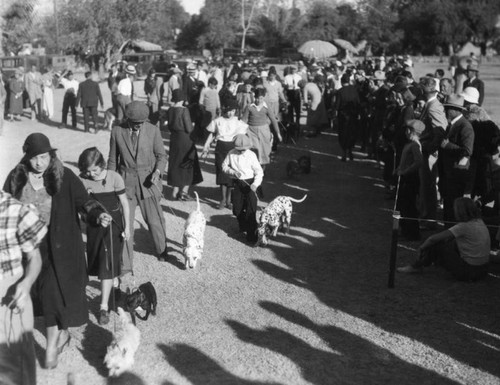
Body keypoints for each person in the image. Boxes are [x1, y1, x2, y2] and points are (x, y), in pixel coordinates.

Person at [3, 133, 111, 369]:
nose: (40, 162)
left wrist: (98, 214)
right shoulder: (17, 176)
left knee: (52, 292)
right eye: (34, 158)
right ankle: (62, 334)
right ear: (27, 157)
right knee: (40, 293)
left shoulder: (63, 175)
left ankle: (52, 345)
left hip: (59, 245)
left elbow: (85, 202)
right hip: (30, 247)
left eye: (44, 156)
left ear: (50, 155)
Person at [108, 101, 171, 263]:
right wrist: (110, 183)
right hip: (125, 184)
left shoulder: (153, 130)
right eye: (135, 123)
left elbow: (161, 156)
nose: (138, 126)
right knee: (125, 223)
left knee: (154, 220)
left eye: (141, 123)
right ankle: (125, 262)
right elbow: (113, 160)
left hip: (148, 183)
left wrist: (157, 172)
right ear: (128, 119)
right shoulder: (116, 131)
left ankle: (162, 250)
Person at [78, 147, 130, 325]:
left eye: (95, 170)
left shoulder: (115, 177)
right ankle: (115, 283)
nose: (91, 174)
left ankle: (103, 307)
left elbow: (124, 203)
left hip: (114, 229)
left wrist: (128, 227)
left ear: (102, 165)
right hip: (95, 228)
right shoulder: (83, 180)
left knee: (106, 267)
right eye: (87, 171)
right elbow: (82, 208)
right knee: (100, 263)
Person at [0, 190, 46, 385]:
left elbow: (34, 258)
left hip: (10, 293)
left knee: (15, 365)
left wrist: (26, 283)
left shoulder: (15, 210)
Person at [397, 197, 489, 281]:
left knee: (436, 244)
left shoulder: (463, 227)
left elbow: (432, 239)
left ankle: (416, 266)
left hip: (469, 272)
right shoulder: (479, 222)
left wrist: (421, 248)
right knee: (449, 242)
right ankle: (425, 262)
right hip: (483, 270)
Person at [202, 98, 248, 209]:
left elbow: (242, 136)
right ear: (224, 110)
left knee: (232, 174)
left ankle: (229, 200)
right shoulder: (218, 121)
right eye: (228, 111)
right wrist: (206, 146)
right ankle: (222, 199)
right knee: (222, 173)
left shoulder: (238, 122)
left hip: (233, 148)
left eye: (233, 111)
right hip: (220, 148)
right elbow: (212, 135)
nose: (230, 113)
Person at [438, 94, 474, 222]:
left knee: (453, 205)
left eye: (448, 108)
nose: (445, 111)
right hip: (448, 171)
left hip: (456, 173)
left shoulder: (465, 126)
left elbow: (467, 151)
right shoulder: (453, 124)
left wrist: (448, 146)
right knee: (448, 203)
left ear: (456, 110)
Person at [222, 134, 264, 243]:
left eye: (244, 149)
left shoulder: (251, 155)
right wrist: (233, 172)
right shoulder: (231, 153)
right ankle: (243, 225)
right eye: (239, 150)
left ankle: (252, 235)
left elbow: (259, 172)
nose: (241, 151)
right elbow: (224, 166)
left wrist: (255, 184)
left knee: (251, 210)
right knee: (237, 209)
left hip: (250, 184)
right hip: (238, 183)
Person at [167, 89, 203, 200]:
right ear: (182, 99)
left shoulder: (170, 110)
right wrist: (192, 125)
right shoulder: (184, 110)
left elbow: (169, 126)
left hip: (174, 138)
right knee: (188, 163)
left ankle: (175, 190)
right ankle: (184, 191)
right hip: (185, 139)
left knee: (175, 163)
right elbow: (189, 128)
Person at [396, 120, 424, 240]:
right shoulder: (410, 143)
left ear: (413, 132)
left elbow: (418, 162)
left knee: (409, 206)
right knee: (402, 204)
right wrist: (398, 168)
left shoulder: (415, 145)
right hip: (404, 176)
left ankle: (412, 233)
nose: (405, 132)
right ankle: (404, 229)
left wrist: (405, 171)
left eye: (408, 130)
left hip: (410, 178)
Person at [241, 88, 282, 170]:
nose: (258, 100)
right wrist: (241, 133)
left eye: (261, 98)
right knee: (254, 149)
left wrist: (278, 133)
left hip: (264, 131)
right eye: (257, 98)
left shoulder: (266, 107)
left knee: (265, 150)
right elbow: (243, 121)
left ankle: (263, 168)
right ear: (254, 97)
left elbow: (273, 120)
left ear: (263, 98)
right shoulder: (249, 107)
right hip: (251, 131)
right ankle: (254, 168)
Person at [334, 74, 360, 161]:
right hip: (353, 115)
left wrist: (335, 117)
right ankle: (350, 151)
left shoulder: (340, 91)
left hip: (343, 116)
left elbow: (337, 105)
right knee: (352, 133)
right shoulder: (354, 90)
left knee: (343, 134)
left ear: (341, 82)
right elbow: (358, 103)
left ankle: (344, 153)